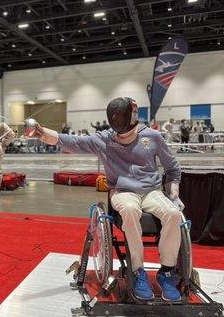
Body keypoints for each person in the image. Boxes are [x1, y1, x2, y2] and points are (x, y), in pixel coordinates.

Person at [26, 97, 184, 302]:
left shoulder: (152, 136)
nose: (117, 119)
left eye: (121, 115)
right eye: (114, 116)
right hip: (123, 191)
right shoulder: (104, 139)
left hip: (152, 191)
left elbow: (172, 168)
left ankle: (167, 272)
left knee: (173, 213)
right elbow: (72, 142)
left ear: (132, 116)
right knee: (129, 210)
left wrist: (174, 195)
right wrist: (42, 132)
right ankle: (138, 271)